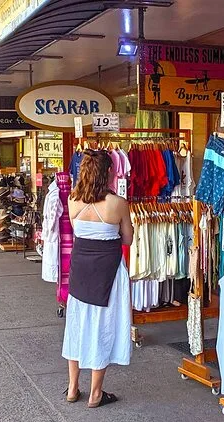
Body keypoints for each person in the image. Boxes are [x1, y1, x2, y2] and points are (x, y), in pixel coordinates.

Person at [62, 150, 134, 407]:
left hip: (81, 270)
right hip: (108, 271)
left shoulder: (73, 199)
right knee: (103, 326)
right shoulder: (118, 203)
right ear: (109, 172)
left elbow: (79, 232)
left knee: (76, 324)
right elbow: (127, 239)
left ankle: (73, 388)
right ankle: (95, 393)